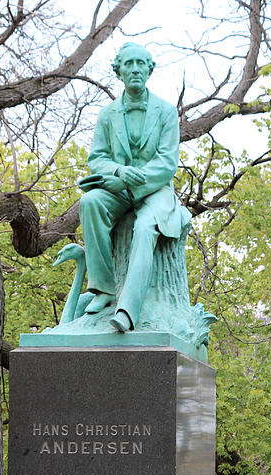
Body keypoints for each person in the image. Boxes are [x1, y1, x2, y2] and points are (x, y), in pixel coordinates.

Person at [78, 42, 190, 332]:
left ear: (150, 70)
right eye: (129, 64)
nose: (136, 69)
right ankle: (104, 289)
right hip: (118, 188)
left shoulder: (166, 112)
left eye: (142, 63)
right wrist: (118, 171)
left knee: (143, 228)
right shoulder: (107, 114)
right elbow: (97, 158)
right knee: (89, 202)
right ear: (119, 71)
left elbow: (167, 163)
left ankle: (127, 310)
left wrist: (135, 180)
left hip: (155, 191)